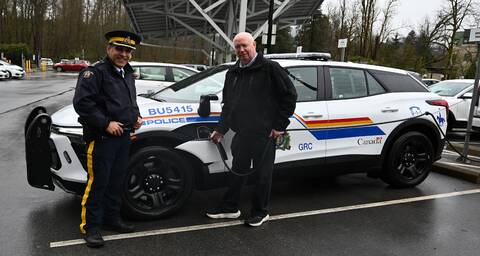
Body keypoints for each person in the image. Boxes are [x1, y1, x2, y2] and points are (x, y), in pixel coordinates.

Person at [206, 32, 297, 227]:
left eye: (244, 45)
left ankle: (260, 211)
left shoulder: (270, 68)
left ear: (254, 45)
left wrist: (279, 126)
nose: (241, 50)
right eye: (237, 47)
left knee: (263, 175)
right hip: (242, 132)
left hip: (264, 133)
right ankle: (230, 207)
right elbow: (228, 105)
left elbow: (290, 96)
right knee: (238, 170)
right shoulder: (233, 72)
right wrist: (221, 129)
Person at [73, 30, 143, 248]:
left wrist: (136, 116)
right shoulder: (95, 73)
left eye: (128, 51)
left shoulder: (127, 73)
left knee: (116, 182)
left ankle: (112, 220)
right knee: (98, 184)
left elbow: (129, 101)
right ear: (108, 49)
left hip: (123, 137)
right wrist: (105, 123)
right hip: (102, 138)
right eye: (119, 49)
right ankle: (91, 228)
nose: (123, 54)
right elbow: (83, 104)